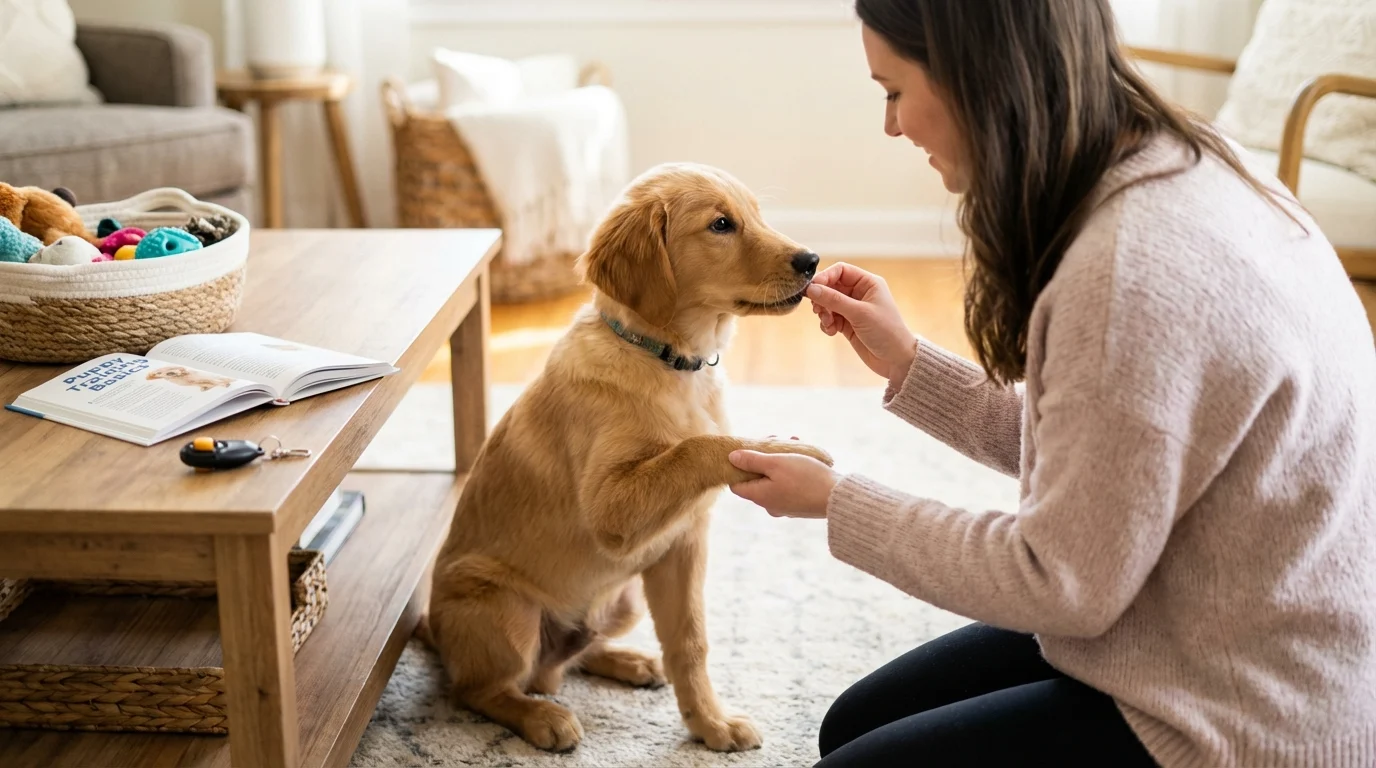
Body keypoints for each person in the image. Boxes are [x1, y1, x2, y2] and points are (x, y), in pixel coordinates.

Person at [724, 1, 1376, 766]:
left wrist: (835, 501)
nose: (893, 128)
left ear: (977, 78)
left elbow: (1058, 580)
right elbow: (1107, 456)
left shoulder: (1129, 267)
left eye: (893, 90)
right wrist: (909, 363)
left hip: (1248, 712)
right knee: (854, 726)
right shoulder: (1182, 161)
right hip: (1200, 621)